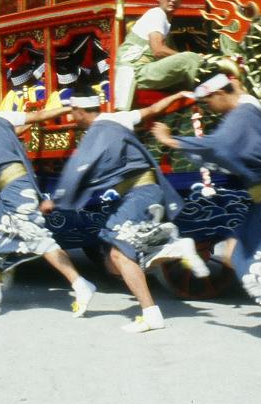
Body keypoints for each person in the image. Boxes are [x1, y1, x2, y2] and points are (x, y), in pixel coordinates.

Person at [147, 71, 261, 329]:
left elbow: (219, 145)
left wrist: (169, 139)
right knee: (235, 257)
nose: (207, 108)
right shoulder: (244, 113)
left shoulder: (242, 117)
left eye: (207, 101)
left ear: (220, 93)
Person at [44, 89, 207, 333]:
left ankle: (152, 312)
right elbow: (153, 110)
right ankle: (172, 250)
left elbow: (78, 168)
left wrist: (56, 199)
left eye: (72, 112)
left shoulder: (97, 133)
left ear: (79, 111)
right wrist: (176, 96)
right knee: (112, 262)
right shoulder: (119, 119)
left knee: (120, 256)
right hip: (144, 192)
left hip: (139, 193)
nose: (71, 118)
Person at [0, 107, 98, 313]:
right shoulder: (0, 126)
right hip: (13, 188)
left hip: (15, 188)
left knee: (38, 239)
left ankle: (80, 283)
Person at [112, 0, 204, 108]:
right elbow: (158, 50)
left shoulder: (166, 21)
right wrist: (193, 58)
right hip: (136, 71)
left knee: (185, 69)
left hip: (143, 70)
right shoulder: (156, 14)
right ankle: (202, 100)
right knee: (189, 59)